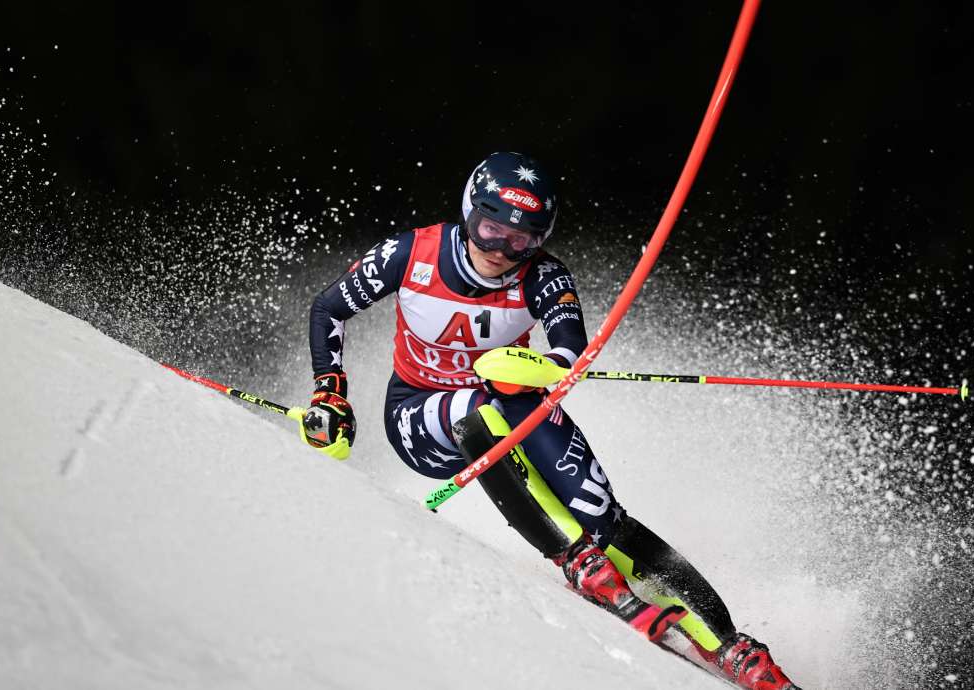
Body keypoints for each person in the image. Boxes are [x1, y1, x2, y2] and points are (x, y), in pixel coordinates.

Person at [301, 151, 799, 690]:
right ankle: (571, 556)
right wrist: (331, 393)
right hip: (418, 416)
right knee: (479, 411)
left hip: (510, 404)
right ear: (470, 213)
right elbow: (328, 308)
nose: (500, 250)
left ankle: (732, 642)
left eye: (521, 241)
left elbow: (570, 351)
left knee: (608, 519)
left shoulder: (544, 276)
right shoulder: (413, 252)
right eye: (489, 230)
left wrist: (543, 368)